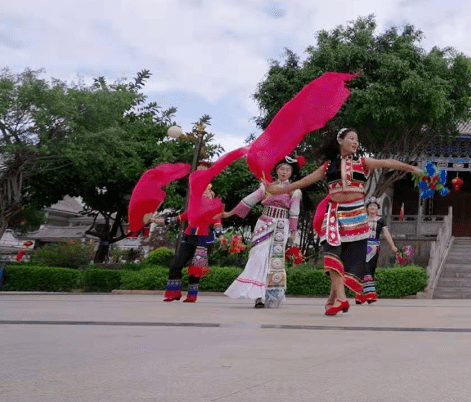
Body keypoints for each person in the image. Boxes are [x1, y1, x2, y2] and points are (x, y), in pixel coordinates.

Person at [266, 128, 422, 315]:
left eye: (357, 139)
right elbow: (304, 181)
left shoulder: (363, 162)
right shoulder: (328, 166)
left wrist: (412, 168)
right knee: (332, 253)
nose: (355, 142)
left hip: (357, 215)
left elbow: (388, 162)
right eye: (351, 138)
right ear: (340, 140)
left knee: (348, 260)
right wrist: (278, 190)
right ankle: (341, 299)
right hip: (335, 213)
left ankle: (332, 300)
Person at [223, 157, 302, 308]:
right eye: (281, 169)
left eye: (287, 170)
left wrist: (293, 231)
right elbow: (249, 200)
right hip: (264, 223)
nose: (284, 172)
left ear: (291, 173)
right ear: (277, 171)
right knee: (258, 256)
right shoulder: (266, 186)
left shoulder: (294, 190)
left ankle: (271, 296)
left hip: (280, 226)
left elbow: (294, 211)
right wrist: (230, 213)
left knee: (275, 260)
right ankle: (257, 296)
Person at [151, 182, 222, 303]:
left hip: (203, 241)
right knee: (176, 265)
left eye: (207, 191)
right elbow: (176, 219)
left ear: (211, 194)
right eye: (202, 191)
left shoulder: (214, 209)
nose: (205, 192)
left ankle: (192, 296)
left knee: (196, 269)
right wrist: (154, 220)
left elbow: (217, 223)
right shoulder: (193, 209)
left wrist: (221, 236)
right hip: (189, 238)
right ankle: (173, 293)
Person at [360, 197, 398, 304]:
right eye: (370, 206)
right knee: (365, 269)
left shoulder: (380, 221)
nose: (372, 208)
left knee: (370, 271)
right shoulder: (362, 219)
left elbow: (386, 233)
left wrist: (392, 245)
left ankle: (360, 295)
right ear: (367, 208)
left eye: (375, 206)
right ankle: (370, 294)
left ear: (377, 209)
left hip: (374, 248)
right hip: (362, 247)